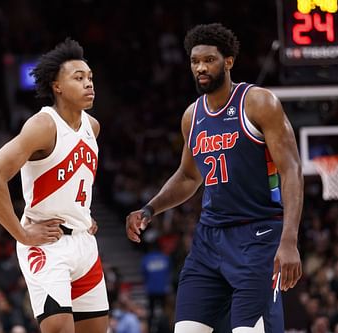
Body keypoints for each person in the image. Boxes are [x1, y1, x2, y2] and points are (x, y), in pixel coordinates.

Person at [126, 23, 303, 333]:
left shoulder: (258, 102)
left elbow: (291, 170)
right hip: (210, 238)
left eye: (209, 60)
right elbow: (188, 176)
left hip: (258, 236)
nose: (201, 68)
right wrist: (149, 209)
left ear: (229, 62)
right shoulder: (192, 116)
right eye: (195, 62)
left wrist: (289, 240)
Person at [0, 38, 109, 333]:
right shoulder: (43, 126)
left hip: (84, 243)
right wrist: (22, 234)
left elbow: (73, 179)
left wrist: (81, 213)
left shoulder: (93, 126)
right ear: (56, 86)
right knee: (60, 327)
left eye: (90, 78)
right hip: (48, 244)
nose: (89, 84)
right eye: (79, 78)